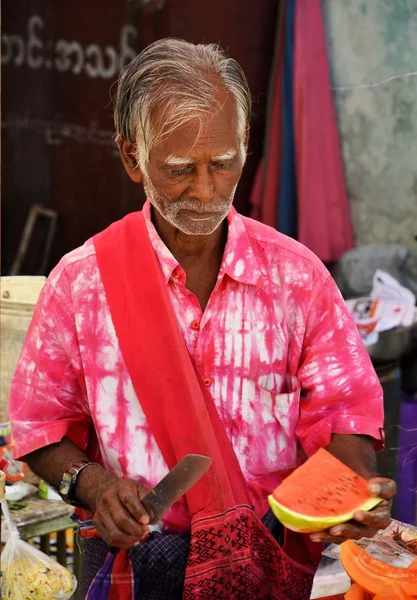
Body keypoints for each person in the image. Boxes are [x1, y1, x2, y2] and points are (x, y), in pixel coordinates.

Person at [9, 38, 395, 599]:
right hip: (132, 568)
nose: (207, 190)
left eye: (223, 163)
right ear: (131, 157)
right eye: (179, 170)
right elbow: (39, 424)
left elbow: (347, 421)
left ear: (244, 146)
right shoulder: (81, 283)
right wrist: (93, 485)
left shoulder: (299, 279)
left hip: (270, 561)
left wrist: (352, 491)